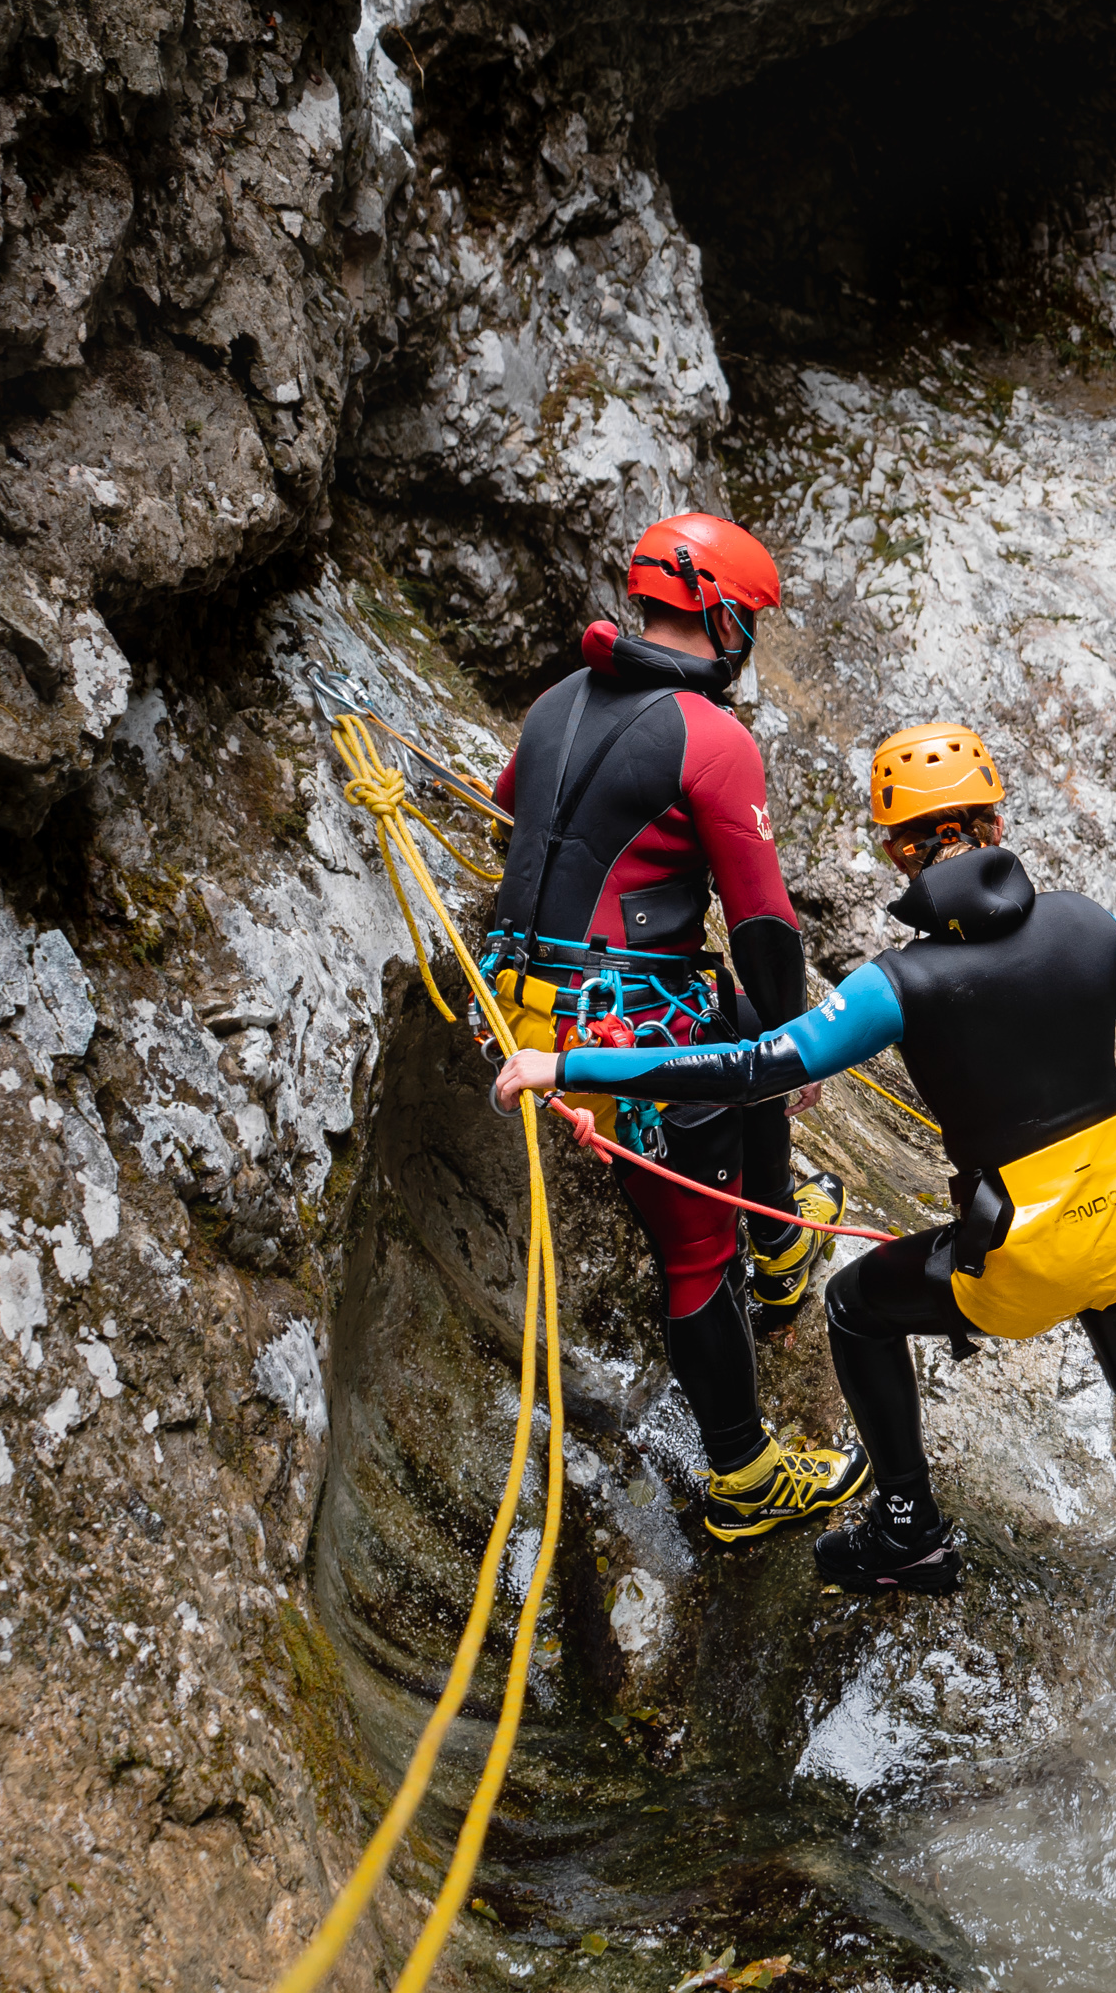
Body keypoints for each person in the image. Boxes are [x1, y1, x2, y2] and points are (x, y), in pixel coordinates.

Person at [491, 723, 1116, 1680]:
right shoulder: (1093, 925)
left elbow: (751, 1067)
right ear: (996, 820)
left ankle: (909, 1528)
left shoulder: (901, 984)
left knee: (854, 1307)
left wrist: (567, 1059)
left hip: (1018, 1257)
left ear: (897, 849)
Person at [482, 511, 861, 1545]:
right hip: (620, 1033)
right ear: (726, 620)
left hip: (525, 1002)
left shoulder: (559, 698)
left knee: (736, 1026)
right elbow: (763, 923)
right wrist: (799, 1051)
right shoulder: (713, 738)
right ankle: (744, 1475)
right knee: (697, 1251)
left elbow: (516, 806)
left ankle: (780, 1235)